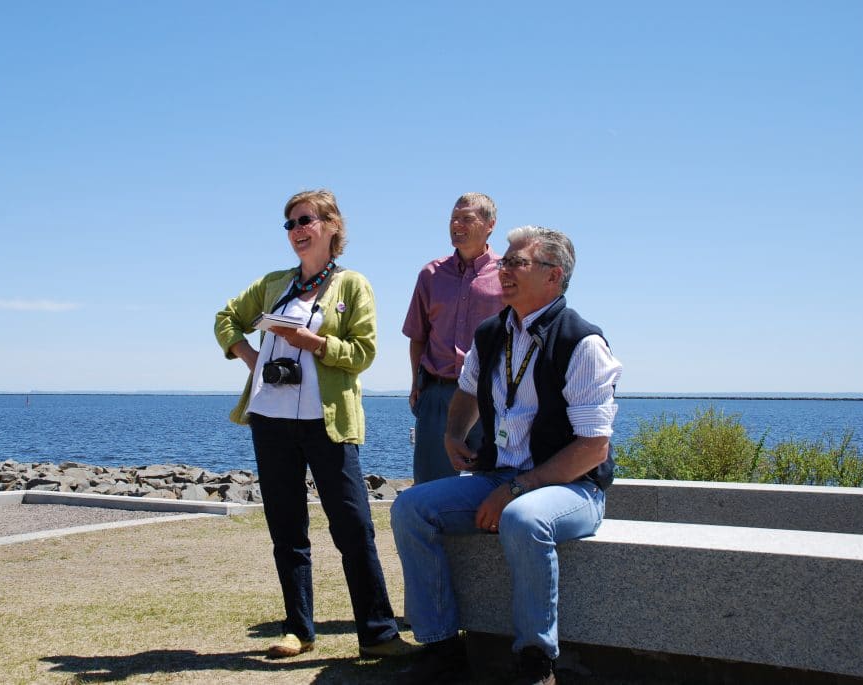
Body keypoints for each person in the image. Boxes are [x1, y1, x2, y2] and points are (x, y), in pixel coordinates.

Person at [391, 226, 623, 685]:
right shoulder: (491, 333)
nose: (504, 271)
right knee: (410, 509)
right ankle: (441, 647)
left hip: (572, 487)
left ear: (553, 276)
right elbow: (466, 392)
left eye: (517, 263)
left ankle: (536, 660)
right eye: (505, 263)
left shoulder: (582, 342)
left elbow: (593, 447)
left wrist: (518, 488)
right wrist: (453, 434)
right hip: (501, 477)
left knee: (524, 519)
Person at [214, 189, 413, 660]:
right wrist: (251, 356)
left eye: (305, 221)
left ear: (331, 226)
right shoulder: (273, 284)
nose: (297, 231)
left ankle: (378, 634)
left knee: (353, 527)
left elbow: (362, 354)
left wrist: (312, 342)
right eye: (290, 224)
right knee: (286, 528)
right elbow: (226, 318)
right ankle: (297, 629)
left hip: (328, 425)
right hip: (270, 421)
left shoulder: (351, 285)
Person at [402, 192, 504, 484]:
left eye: (466, 218)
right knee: (430, 490)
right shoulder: (431, 274)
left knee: (492, 488)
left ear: (490, 224)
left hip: (491, 396)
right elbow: (418, 335)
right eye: (453, 219)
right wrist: (416, 384)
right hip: (438, 394)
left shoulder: (508, 274)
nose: (456, 224)